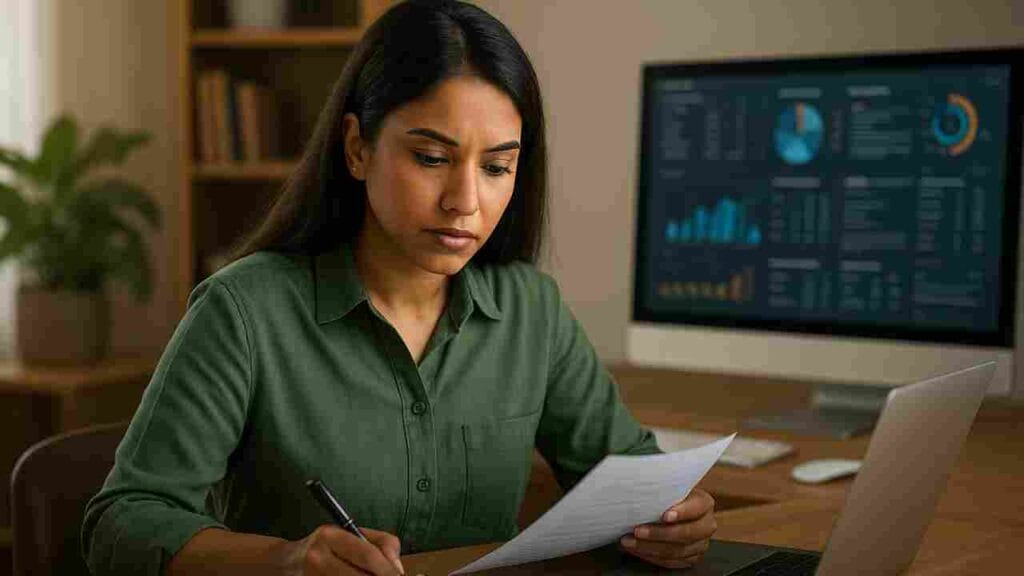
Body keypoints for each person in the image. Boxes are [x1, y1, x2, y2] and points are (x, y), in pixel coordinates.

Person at [81, 1, 716, 574]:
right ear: (357, 148)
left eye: (497, 166)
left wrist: (675, 518)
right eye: (432, 159)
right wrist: (285, 561)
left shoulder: (531, 309)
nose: (465, 201)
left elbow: (636, 477)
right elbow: (121, 522)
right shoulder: (244, 311)